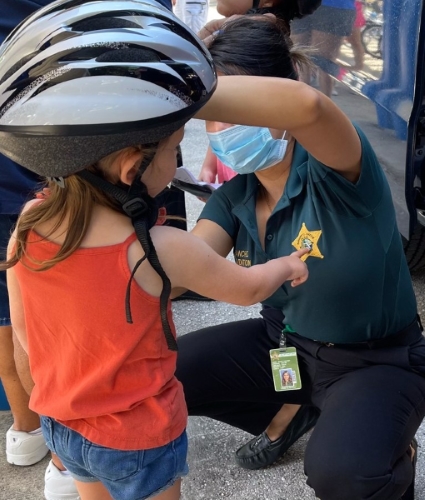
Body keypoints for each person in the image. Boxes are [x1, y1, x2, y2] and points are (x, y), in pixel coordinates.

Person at [0, 3, 309, 499]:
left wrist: (47, 409)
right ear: (131, 168)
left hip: (64, 423)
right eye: (171, 149)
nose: (176, 159)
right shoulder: (156, 246)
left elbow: (26, 342)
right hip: (137, 437)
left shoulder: (29, 224)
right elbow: (246, 288)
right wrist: (287, 264)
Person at [175, 15, 425, 500]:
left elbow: (309, 106)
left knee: (344, 473)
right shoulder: (236, 196)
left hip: (376, 360)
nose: (221, 127)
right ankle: (299, 409)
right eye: (214, 114)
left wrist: (186, 80)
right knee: (168, 374)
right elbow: (188, 271)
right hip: (285, 343)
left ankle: (388, 446)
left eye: (233, 105)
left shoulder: (339, 169)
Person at [291, 0, 357, 97]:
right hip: (300, 4)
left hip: (334, 5)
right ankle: (302, 102)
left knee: (323, 61)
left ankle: (325, 107)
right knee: (300, 54)